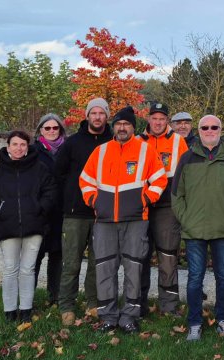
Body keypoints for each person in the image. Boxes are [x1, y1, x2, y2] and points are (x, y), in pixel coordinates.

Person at [79, 106, 168, 334]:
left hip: (136, 220)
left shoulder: (145, 150)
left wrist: (145, 199)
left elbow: (159, 179)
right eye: (118, 124)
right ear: (113, 126)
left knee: (134, 268)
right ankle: (108, 315)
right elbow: (85, 180)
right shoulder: (100, 151)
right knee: (105, 268)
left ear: (133, 127)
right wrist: (94, 200)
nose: (122, 127)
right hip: (105, 221)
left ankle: (129, 315)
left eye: (126, 124)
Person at [172, 114, 224, 341]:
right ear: (200, 129)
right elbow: (176, 194)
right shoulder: (187, 158)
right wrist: (186, 219)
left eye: (214, 126)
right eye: (205, 127)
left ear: (221, 129)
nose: (209, 130)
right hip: (194, 230)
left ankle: (222, 319)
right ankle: (195, 322)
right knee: (195, 277)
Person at [0, 131, 57, 323]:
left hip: (34, 226)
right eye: (15, 144)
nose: (19, 148)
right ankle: (10, 310)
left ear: (27, 147)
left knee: (28, 269)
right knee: (10, 269)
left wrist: (40, 208)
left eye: (23, 144)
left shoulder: (39, 169)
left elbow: (51, 192)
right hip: (7, 227)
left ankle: (26, 309)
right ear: (8, 147)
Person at [54, 98, 113, 325]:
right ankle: (66, 304)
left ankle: (93, 303)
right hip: (75, 212)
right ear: (87, 116)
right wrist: (69, 198)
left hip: (104, 213)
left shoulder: (112, 142)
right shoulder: (73, 143)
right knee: (71, 263)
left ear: (107, 116)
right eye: (93, 113)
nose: (97, 117)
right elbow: (58, 174)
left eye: (101, 113)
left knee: (98, 263)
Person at [139, 103, 188, 316]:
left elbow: (186, 174)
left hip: (167, 207)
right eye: (154, 118)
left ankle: (168, 305)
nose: (158, 122)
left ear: (167, 121)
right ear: (148, 119)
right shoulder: (137, 141)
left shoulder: (178, 141)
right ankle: (138, 303)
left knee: (168, 256)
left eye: (162, 118)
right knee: (139, 256)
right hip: (141, 207)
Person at [31, 113, 66, 307]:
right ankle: (29, 297)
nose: (52, 131)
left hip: (60, 210)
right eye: (48, 128)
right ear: (40, 131)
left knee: (57, 256)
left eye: (55, 128)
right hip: (40, 211)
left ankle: (56, 296)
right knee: (34, 256)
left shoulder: (67, 149)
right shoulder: (33, 150)